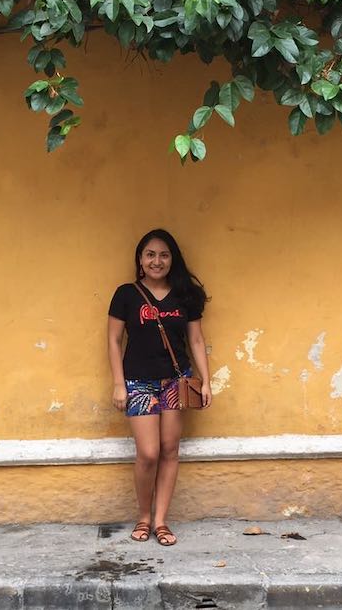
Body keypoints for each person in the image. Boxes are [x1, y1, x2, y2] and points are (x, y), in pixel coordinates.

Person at [107, 229, 212, 546]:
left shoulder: (186, 296)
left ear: (172, 259)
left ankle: (162, 521)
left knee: (170, 450)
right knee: (148, 453)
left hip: (176, 383)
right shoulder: (126, 294)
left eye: (164, 254)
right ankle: (143, 516)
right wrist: (118, 384)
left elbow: (195, 339)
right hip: (138, 382)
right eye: (150, 254)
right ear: (140, 259)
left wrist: (206, 381)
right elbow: (113, 340)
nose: (157, 261)